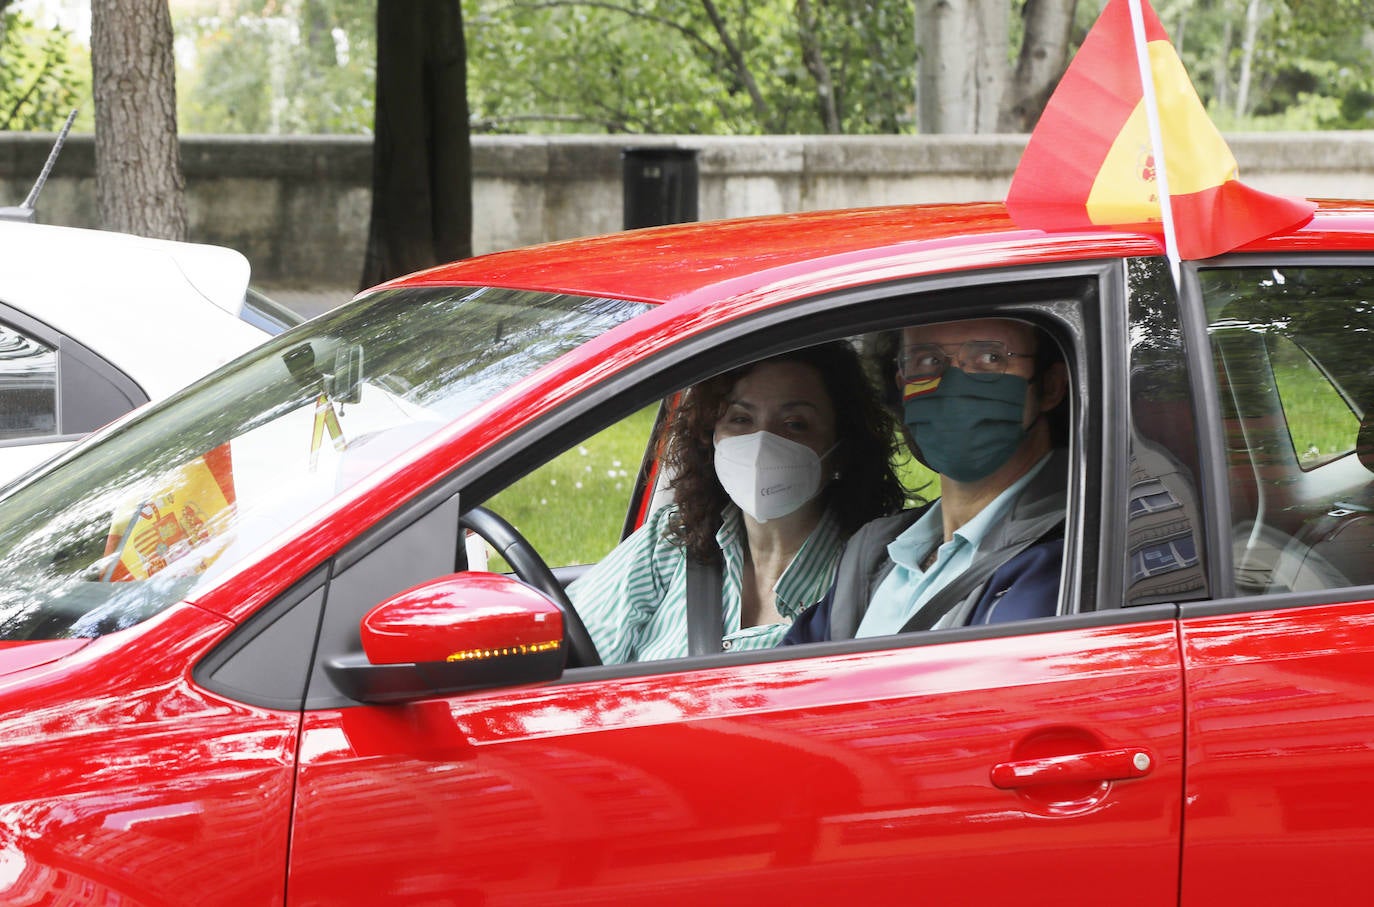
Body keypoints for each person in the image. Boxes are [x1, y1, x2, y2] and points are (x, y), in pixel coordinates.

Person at [568, 341, 908, 663]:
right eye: (741, 419)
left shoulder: (870, 576)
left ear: (840, 452)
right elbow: (569, 656)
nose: (762, 442)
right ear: (712, 434)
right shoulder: (670, 539)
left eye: (794, 424)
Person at [784, 317, 1070, 643]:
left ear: (1050, 386)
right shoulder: (876, 548)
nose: (951, 384)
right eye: (927, 361)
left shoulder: (1064, 555)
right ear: (902, 383)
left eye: (990, 358)